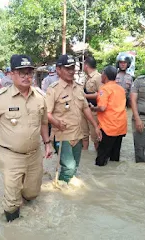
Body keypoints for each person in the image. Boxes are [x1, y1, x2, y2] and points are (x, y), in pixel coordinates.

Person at [0, 54, 52, 222]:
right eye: (22, 73)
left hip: (35, 155)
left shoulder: (41, 97)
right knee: (12, 203)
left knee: (33, 193)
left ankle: (23, 195)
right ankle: (12, 227)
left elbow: (43, 123)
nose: (27, 76)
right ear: (11, 74)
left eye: (29, 73)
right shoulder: (0, 99)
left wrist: (48, 143)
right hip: (11, 156)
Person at [46, 54, 101, 183]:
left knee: (74, 166)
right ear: (58, 70)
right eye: (67, 68)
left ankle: (66, 190)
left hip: (78, 134)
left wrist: (95, 126)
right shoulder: (53, 89)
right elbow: (46, 114)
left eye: (72, 68)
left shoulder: (78, 87)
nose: (71, 71)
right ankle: (61, 190)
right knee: (69, 167)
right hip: (62, 135)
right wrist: (57, 123)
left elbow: (85, 108)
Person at [90, 66, 127, 166]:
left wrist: (93, 108)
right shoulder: (121, 89)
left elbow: (102, 107)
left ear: (105, 76)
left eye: (102, 73)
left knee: (101, 160)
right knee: (114, 158)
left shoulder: (104, 89)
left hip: (108, 128)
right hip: (121, 127)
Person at [83, 56, 102, 150]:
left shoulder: (98, 77)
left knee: (95, 137)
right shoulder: (87, 77)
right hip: (84, 109)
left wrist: (85, 96)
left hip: (94, 111)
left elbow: (102, 94)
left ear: (86, 65)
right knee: (84, 135)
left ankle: (98, 156)